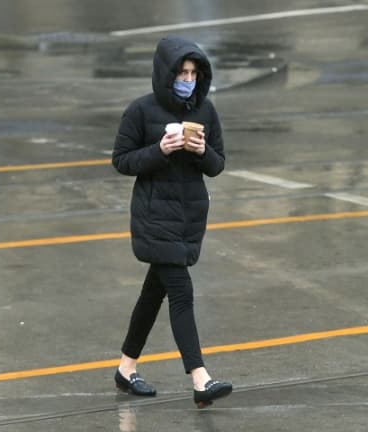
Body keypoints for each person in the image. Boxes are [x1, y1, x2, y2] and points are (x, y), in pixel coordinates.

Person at [111, 36, 232, 408]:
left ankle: (125, 368)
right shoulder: (141, 111)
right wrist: (159, 151)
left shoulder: (205, 112)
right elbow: (122, 160)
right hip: (154, 217)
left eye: (194, 73)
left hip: (188, 219)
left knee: (153, 294)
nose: (188, 79)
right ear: (166, 73)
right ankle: (200, 379)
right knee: (181, 291)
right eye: (182, 72)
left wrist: (201, 151)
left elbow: (218, 165)